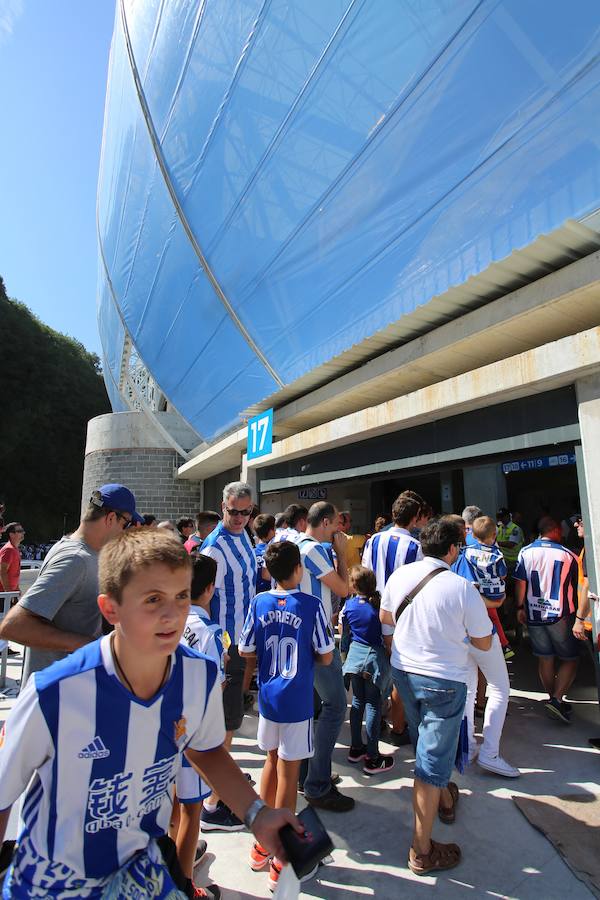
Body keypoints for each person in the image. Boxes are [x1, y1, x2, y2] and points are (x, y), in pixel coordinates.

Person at [0, 529, 299, 899]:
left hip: (143, 874)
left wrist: (257, 814)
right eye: (153, 599)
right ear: (111, 609)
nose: (173, 614)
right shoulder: (54, 693)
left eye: (182, 596)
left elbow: (203, 749)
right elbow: (3, 794)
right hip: (54, 884)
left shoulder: (198, 675)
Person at [380, 517, 492, 876]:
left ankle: (445, 800)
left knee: (428, 747)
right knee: (429, 764)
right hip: (443, 680)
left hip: (404, 671)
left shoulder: (400, 576)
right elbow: (485, 641)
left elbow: (386, 616)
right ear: (453, 549)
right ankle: (422, 850)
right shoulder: (461, 587)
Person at [239, 540, 334, 891]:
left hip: (268, 697)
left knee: (270, 762)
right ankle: (283, 856)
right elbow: (325, 655)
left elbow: (245, 648)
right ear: (298, 570)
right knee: (289, 771)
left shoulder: (258, 601)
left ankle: (261, 844)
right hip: (296, 700)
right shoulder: (310, 604)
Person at [0, 484, 142, 687]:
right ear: (111, 518)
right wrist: (94, 647)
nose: (126, 532)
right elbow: (13, 627)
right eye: (126, 524)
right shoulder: (76, 559)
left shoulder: (74, 548)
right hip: (54, 701)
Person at [199, 482, 257, 830]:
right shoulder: (216, 547)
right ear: (223, 507)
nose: (238, 518)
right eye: (232, 511)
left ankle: (218, 789)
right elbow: (202, 599)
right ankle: (213, 804)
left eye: (244, 512)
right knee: (224, 723)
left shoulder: (242, 536)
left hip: (239, 642)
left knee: (230, 721)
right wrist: (217, 648)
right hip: (226, 644)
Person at [172, 554, 228, 896]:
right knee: (192, 811)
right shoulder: (212, 633)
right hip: (193, 734)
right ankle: (184, 884)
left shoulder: (167, 622)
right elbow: (215, 686)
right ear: (209, 589)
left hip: (163, 728)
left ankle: (173, 862)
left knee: (172, 807)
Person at [297, 502, 353, 811]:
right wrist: (342, 553)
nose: (338, 533)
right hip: (316, 640)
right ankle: (317, 784)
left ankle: (306, 775)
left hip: (302, 636)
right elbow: (344, 589)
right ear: (326, 522)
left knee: (314, 707)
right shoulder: (315, 550)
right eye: (335, 527)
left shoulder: (293, 542)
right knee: (335, 706)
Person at [454, 516, 519, 777]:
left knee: (469, 689)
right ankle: (490, 752)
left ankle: (468, 747)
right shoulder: (496, 555)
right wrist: (494, 602)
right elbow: (498, 584)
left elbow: (462, 588)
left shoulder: (462, 555)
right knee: (500, 688)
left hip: (461, 630)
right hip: (481, 627)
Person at [363, 492, 424, 746]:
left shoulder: (374, 540)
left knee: (375, 670)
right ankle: (398, 727)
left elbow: (365, 574)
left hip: (373, 610)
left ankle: (374, 724)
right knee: (400, 673)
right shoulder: (415, 547)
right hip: (401, 617)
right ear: (416, 518)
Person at [514, 516, 581, 724]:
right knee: (570, 658)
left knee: (545, 657)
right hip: (560, 613)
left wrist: (519, 607)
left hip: (534, 612)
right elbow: (578, 586)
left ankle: (552, 699)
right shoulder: (569, 555)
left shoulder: (525, 552)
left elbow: (520, 583)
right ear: (555, 531)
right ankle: (557, 699)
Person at [342, 565, 394, 775]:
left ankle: (356, 748)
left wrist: (344, 656)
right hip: (374, 660)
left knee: (356, 703)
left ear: (353, 585)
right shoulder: (378, 607)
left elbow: (344, 633)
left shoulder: (349, 606)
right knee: (373, 705)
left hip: (355, 657)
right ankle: (373, 757)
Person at [0, 522, 25, 657]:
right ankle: (2, 648)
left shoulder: (14, 549)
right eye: (19, 531)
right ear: (12, 534)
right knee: (5, 620)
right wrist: (8, 592)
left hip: (10, 592)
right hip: (5, 594)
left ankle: (4, 647)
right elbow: (2, 571)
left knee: (7, 621)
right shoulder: (8, 550)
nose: (23, 533)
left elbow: (12, 572)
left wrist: (17, 588)